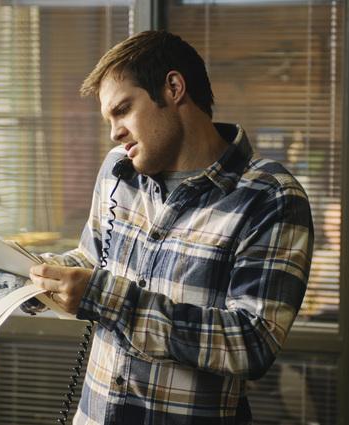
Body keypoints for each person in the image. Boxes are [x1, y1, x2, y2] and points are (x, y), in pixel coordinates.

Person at [29, 30, 314, 424]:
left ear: (174, 88)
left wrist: (105, 298)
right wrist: (28, 273)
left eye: (123, 109)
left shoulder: (270, 197)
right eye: (109, 118)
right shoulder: (117, 170)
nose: (114, 132)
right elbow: (93, 260)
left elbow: (251, 343)